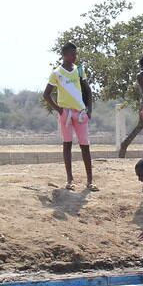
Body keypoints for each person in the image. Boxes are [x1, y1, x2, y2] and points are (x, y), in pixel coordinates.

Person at [43, 42, 97, 191]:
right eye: (72, 54)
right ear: (65, 55)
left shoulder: (79, 70)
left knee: (85, 145)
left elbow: (88, 90)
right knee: (67, 145)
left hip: (80, 112)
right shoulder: (57, 73)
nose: (75, 57)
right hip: (65, 113)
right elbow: (46, 94)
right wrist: (59, 110)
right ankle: (70, 180)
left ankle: (90, 181)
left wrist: (89, 109)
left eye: (76, 54)